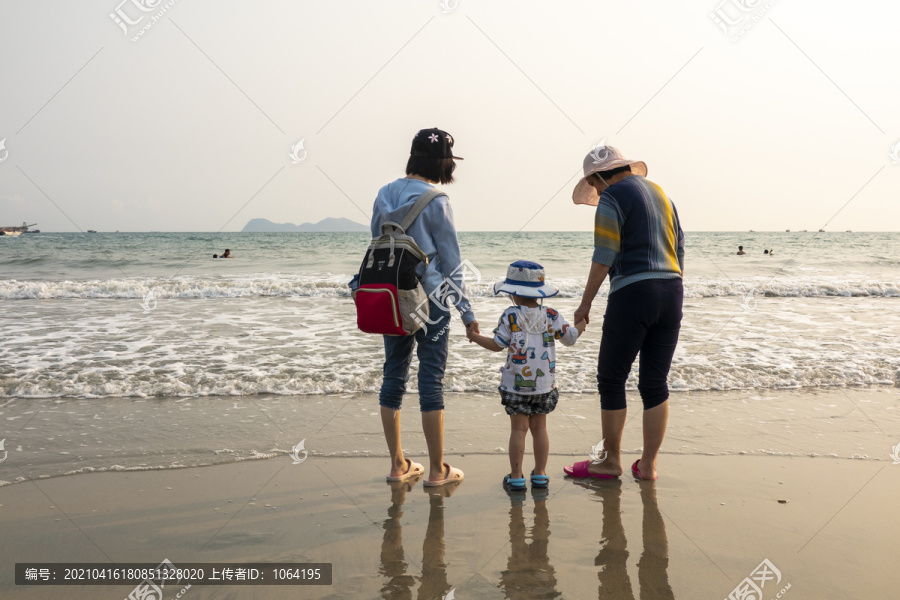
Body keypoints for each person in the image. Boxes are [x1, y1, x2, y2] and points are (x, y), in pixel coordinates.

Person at [565, 145, 684, 481]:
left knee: (612, 378)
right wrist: (672, 288)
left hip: (633, 293)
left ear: (598, 176)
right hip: (672, 292)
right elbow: (681, 247)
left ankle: (611, 461)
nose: (597, 192)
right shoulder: (662, 194)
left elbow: (604, 254)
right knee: (654, 382)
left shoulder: (612, 197)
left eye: (595, 184)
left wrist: (585, 304)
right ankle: (648, 465)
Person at [369, 127, 478, 486]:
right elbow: (451, 261)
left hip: (391, 297)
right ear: (443, 161)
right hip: (431, 301)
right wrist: (467, 313)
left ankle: (398, 465)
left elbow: (376, 242)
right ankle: (436, 470)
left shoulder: (384, 194)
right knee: (430, 381)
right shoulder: (438, 200)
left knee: (392, 377)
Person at [467, 261, 585, 491]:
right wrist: (582, 325)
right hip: (544, 385)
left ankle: (517, 476)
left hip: (515, 385)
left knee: (518, 430)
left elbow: (496, 345)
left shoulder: (510, 315)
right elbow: (570, 338)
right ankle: (540, 475)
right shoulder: (551, 315)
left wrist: (473, 336)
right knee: (540, 428)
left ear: (514, 293)